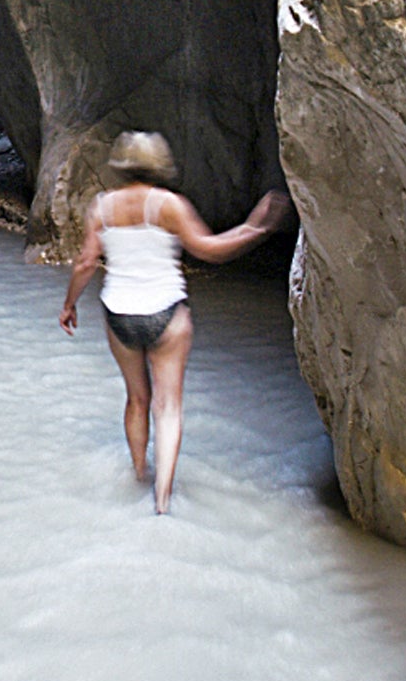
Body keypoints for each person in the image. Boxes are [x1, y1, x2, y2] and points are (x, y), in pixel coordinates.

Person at [59, 132, 291, 513]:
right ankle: (162, 500)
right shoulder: (168, 204)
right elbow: (209, 250)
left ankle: (138, 474)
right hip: (166, 313)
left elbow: (86, 263)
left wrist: (69, 304)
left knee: (137, 399)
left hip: (119, 313)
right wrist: (256, 228)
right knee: (168, 406)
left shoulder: (101, 207)